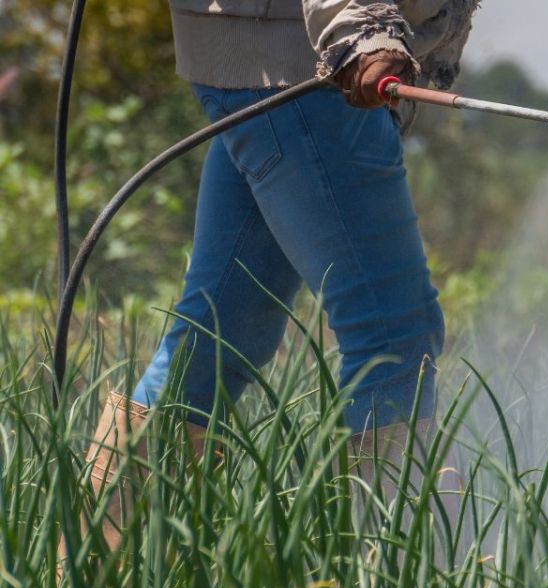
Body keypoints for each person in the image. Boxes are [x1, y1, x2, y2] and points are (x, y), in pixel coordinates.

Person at [84, 0, 478, 548]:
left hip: (265, 53)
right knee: (395, 340)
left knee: (216, 340)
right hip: (305, 63)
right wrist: (362, 31)